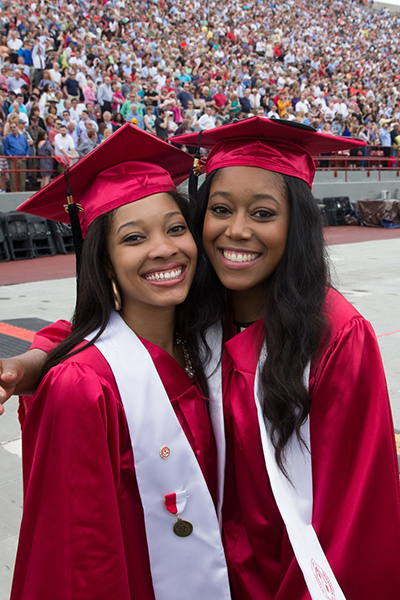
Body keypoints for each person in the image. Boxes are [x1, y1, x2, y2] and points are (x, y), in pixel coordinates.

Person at [171, 117, 400, 600]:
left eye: (262, 214)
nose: (236, 231)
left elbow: (351, 516)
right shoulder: (197, 312)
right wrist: (37, 361)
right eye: (220, 209)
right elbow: (111, 331)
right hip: (207, 574)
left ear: (295, 224)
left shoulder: (336, 338)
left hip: (290, 580)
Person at [7, 123, 231, 600]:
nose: (165, 248)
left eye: (176, 228)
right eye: (133, 238)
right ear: (103, 263)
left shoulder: (208, 344)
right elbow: (77, 564)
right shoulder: (83, 386)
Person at [4, 120, 30, 191]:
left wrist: (27, 155)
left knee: (22, 177)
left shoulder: (23, 137)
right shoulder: (8, 138)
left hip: (22, 159)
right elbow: (6, 148)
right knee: (13, 177)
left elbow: (27, 147)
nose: (13, 129)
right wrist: (10, 156)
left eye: (14, 127)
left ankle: (22, 191)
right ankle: (14, 192)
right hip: (13, 160)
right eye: (11, 127)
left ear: (17, 127)